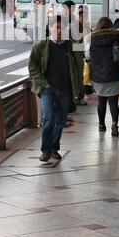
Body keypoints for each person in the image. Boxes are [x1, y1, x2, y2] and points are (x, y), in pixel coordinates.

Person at [29, 15, 84, 162]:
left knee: (60, 120)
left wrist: (79, 87)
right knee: (48, 119)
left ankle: (54, 148)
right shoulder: (40, 45)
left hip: (65, 88)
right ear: (50, 28)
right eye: (57, 27)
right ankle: (45, 151)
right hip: (47, 88)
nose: (60, 30)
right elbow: (33, 68)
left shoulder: (72, 45)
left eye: (63, 27)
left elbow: (80, 66)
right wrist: (43, 83)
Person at [85, 17, 119, 136]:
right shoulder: (117, 36)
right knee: (113, 102)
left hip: (98, 74)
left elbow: (87, 56)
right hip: (114, 73)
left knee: (101, 101)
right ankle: (114, 124)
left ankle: (102, 125)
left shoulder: (91, 39)